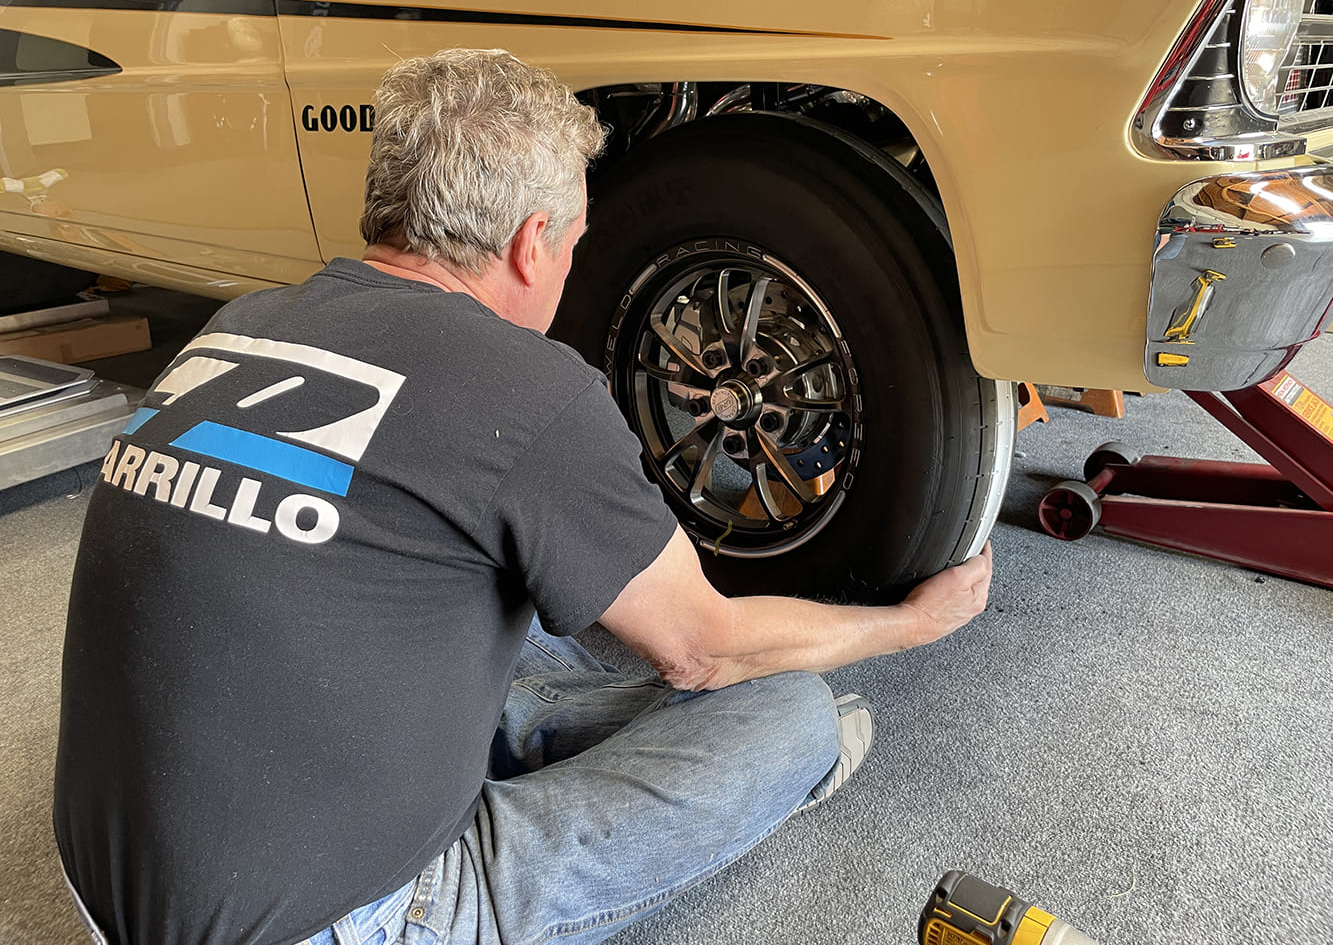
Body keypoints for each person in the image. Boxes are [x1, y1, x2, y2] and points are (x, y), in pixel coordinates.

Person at [53, 48, 993, 945]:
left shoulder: (243, 324)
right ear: (531, 241)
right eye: (578, 240)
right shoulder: (522, 388)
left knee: (514, 604)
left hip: (106, 878)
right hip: (332, 919)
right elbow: (700, 654)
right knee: (786, 711)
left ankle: (526, 735)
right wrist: (912, 624)